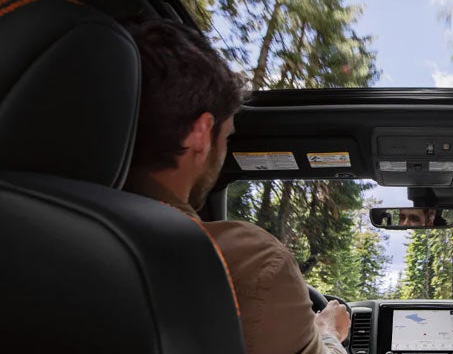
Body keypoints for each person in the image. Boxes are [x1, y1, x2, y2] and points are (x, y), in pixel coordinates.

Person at [121, 18, 350, 354]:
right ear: (201, 134)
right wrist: (327, 332)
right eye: (227, 136)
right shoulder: (250, 262)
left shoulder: (23, 231)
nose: (224, 148)